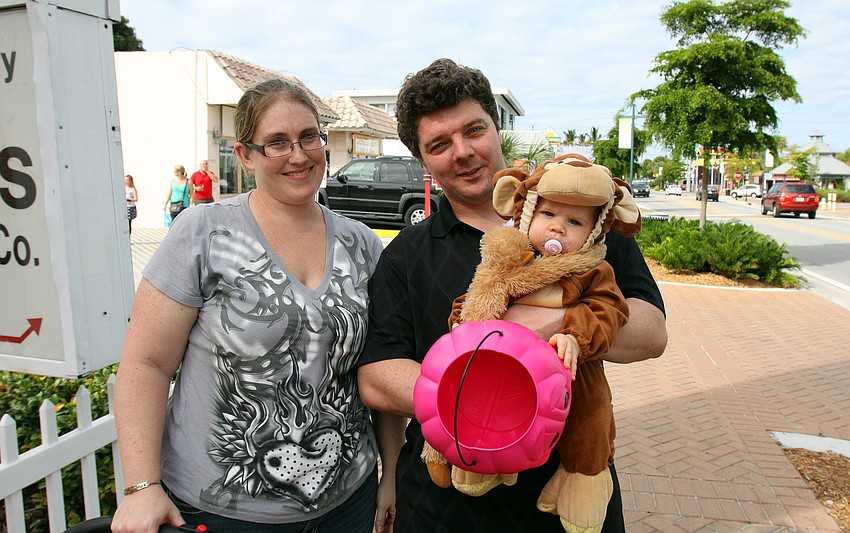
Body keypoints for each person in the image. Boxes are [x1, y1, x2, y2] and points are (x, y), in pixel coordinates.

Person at [356, 58, 667, 532]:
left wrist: (551, 324)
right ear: (422, 161)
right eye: (439, 144)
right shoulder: (407, 254)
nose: (462, 152)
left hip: (563, 501)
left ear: (497, 128)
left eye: (474, 129)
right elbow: (377, 375)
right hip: (444, 510)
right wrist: (471, 393)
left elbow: (651, 333)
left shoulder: (585, 224)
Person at [112, 78, 393, 533]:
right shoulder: (204, 233)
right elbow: (146, 363)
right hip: (222, 511)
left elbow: (377, 369)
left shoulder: (362, 244)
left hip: (349, 503)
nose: (298, 155)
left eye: (308, 138)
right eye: (276, 143)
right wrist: (142, 487)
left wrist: (390, 475)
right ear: (245, 155)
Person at [422, 154, 643, 532]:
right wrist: (462, 322)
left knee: (591, 415)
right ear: (527, 215)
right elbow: (474, 296)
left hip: (570, 367)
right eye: (549, 216)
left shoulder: (593, 269)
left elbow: (609, 309)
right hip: (506, 365)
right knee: (487, 403)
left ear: (592, 233)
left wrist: (575, 335)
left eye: (574, 222)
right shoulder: (511, 260)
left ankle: (584, 477)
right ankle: (484, 460)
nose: (558, 229)